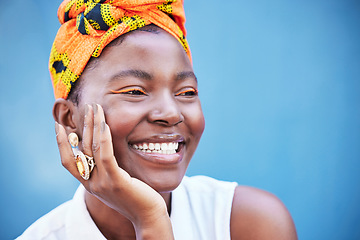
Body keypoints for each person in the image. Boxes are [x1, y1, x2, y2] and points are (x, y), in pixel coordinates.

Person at [18, 0, 297, 239]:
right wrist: (149, 219)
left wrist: (150, 221)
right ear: (68, 119)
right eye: (135, 91)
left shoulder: (249, 224)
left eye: (186, 92)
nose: (171, 113)